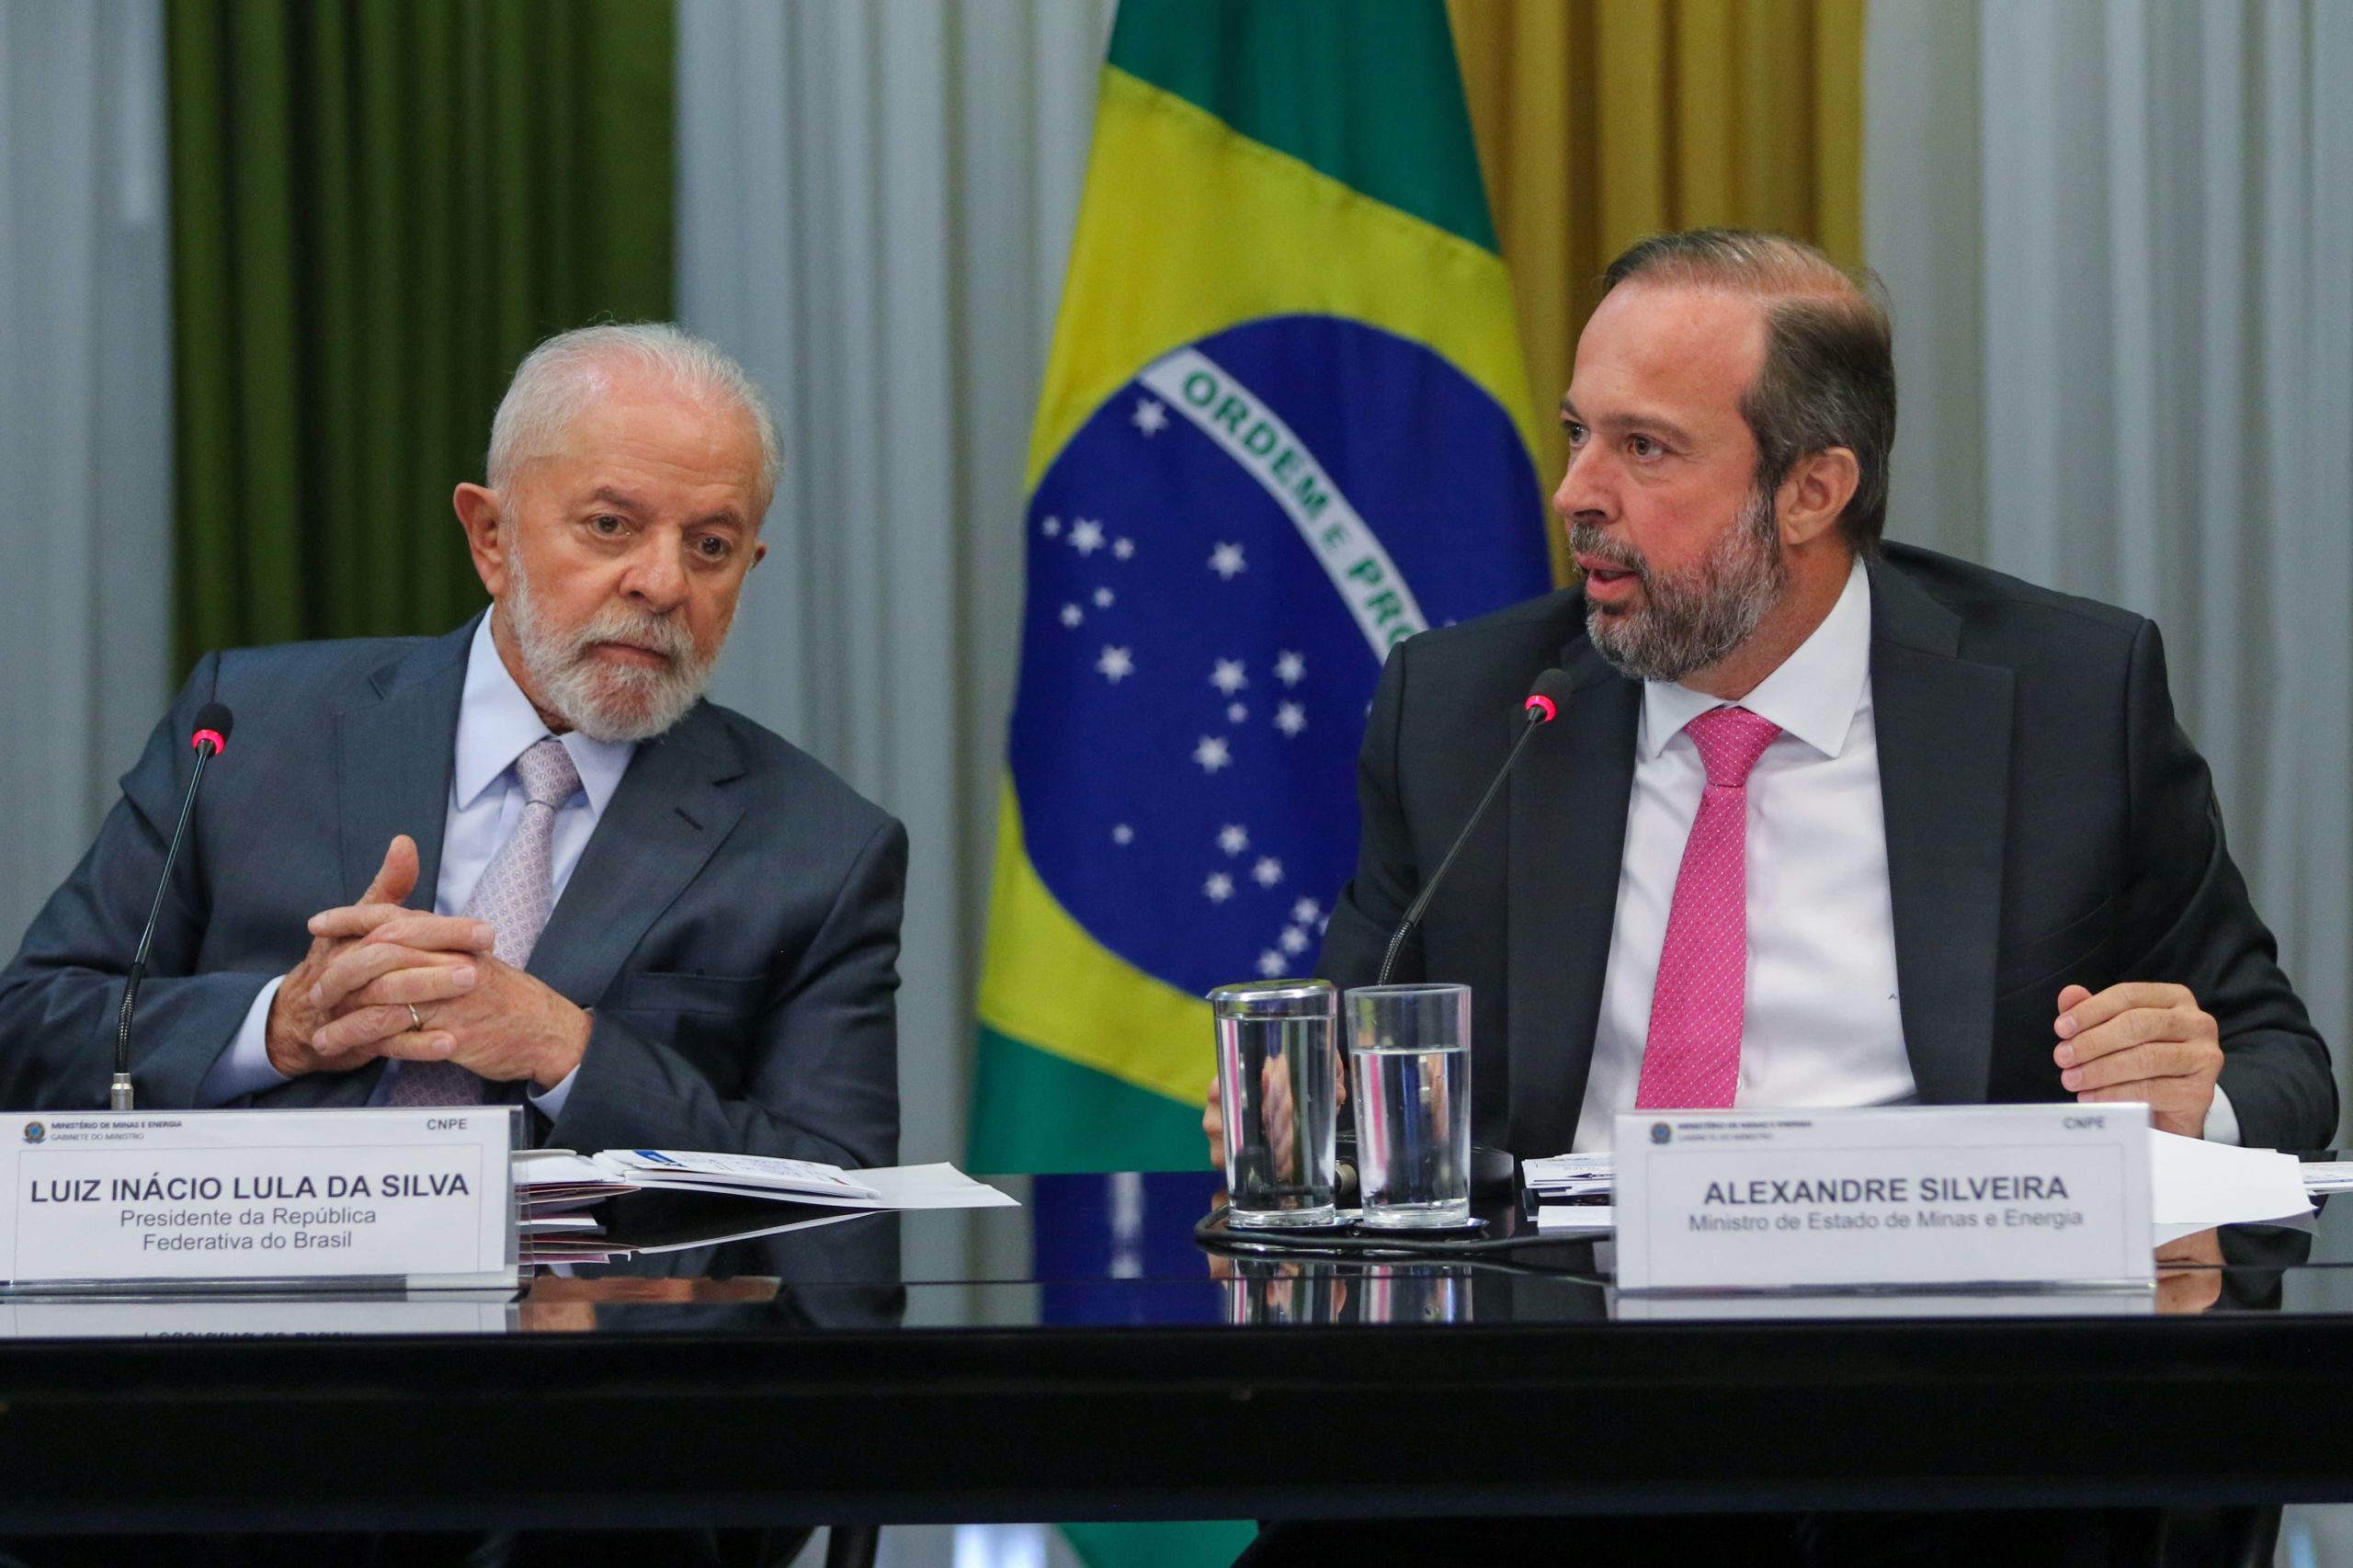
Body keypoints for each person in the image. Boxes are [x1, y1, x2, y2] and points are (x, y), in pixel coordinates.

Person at [1208, 227, 2334, 1166]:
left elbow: (2280, 1062)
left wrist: (2192, 1100)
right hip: (1558, 1343)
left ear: (1811, 491)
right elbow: (1345, 1069)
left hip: (1933, 1349)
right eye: (1575, 433)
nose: (1574, 494)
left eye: (1643, 448)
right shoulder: (1464, 710)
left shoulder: (2067, 699)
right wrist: (1302, 1108)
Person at [0, 324, 904, 1167]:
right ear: (491, 537)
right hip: (259, 1311)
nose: (662, 582)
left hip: (594, 1326)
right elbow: (33, 1028)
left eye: (710, 544)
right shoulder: (249, 725)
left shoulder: (816, 846)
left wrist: (573, 1051)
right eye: (610, 525)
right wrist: (281, 1023)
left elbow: (841, 1189)